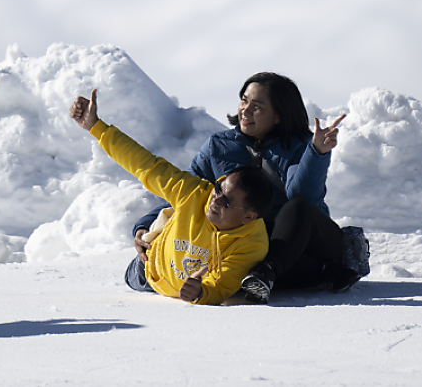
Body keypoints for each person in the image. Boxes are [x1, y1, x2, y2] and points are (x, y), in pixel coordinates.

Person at [131, 71, 368, 303]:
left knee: (297, 207)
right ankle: (318, 273)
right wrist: (145, 225)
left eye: (257, 106)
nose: (245, 110)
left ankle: (269, 272)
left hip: (304, 240)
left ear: (278, 115)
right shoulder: (219, 146)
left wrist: (316, 152)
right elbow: (187, 193)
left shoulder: (300, 146)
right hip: (251, 248)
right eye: (244, 101)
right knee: (238, 251)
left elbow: (302, 195)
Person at [69, 88, 275, 305]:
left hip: (183, 289)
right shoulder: (195, 193)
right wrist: (96, 127)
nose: (215, 199)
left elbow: (221, 286)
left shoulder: (252, 244)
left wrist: (201, 293)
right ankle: (157, 228)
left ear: (248, 217)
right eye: (218, 189)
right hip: (148, 272)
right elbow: (144, 164)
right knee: (131, 277)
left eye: (226, 201)